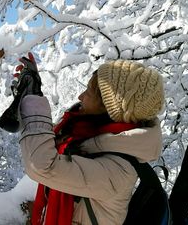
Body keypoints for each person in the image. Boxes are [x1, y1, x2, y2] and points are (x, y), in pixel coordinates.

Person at [15, 56, 165, 225]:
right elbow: (45, 141)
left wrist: (33, 100)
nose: (80, 96)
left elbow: (43, 165)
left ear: (109, 108)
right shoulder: (88, 136)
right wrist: (33, 90)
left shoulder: (117, 171)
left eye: (88, 91)